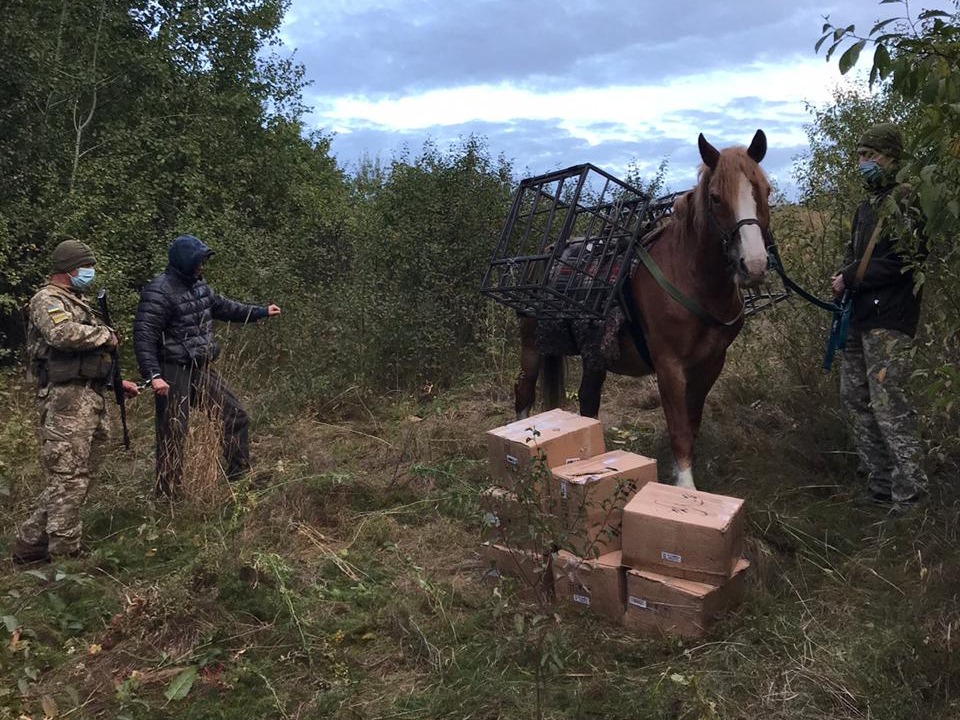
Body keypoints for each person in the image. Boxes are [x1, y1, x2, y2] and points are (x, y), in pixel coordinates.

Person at [13, 239, 141, 565]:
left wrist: (115, 383)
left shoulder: (78, 300)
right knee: (69, 476)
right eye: (88, 266)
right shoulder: (47, 299)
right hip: (65, 401)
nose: (91, 272)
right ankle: (66, 555)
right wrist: (106, 336)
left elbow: (89, 358)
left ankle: (30, 542)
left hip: (88, 396)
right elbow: (62, 335)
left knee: (78, 475)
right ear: (71, 269)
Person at [133, 234, 281, 497]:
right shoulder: (158, 291)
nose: (202, 266)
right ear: (184, 261)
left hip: (200, 367)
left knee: (235, 415)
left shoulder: (199, 286)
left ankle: (240, 480)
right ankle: (168, 496)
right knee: (173, 432)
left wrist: (260, 311)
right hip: (172, 371)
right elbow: (144, 337)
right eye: (198, 261)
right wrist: (153, 374)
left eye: (203, 261)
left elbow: (224, 308)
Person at [830, 122, 928, 513]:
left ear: (891, 157)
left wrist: (852, 276)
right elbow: (859, 255)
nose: (863, 163)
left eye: (870, 155)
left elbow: (907, 261)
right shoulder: (867, 206)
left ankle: (910, 498)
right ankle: (880, 487)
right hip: (859, 317)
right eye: (859, 156)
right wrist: (844, 275)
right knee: (854, 398)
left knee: (889, 405)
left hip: (890, 320)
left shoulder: (908, 201)